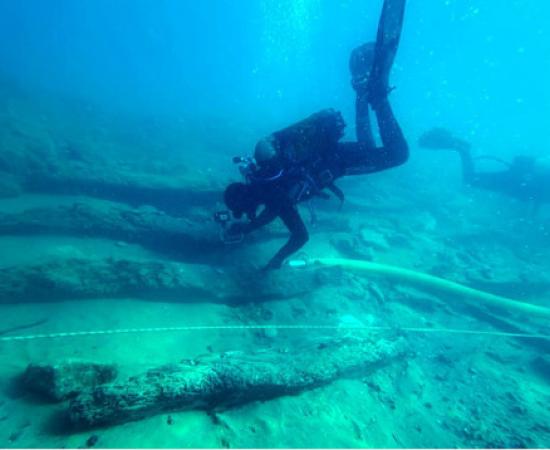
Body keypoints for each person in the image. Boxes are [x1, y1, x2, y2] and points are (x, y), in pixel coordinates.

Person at [222, 0, 409, 270]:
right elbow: (273, 211)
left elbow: (300, 236)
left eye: (244, 209)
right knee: (369, 145)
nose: (249, 212)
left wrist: (274, 263)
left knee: (398, 154)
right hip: (335, 159)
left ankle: (376, 97)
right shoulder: (263, 180)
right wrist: (248, 227)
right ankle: (364, 95)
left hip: (338, 162)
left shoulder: (272, 192)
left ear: (248, 199)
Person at [418, 127, 550, 213]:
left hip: (521, 181)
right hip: (519, 182)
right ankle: (462, 149)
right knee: (470, 180)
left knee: (471, 180)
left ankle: (461, 148)